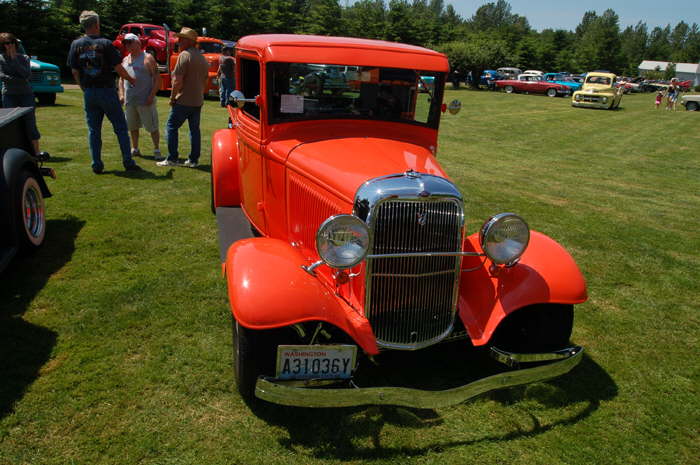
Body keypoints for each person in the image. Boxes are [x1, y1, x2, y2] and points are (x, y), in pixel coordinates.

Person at [67, 10, 140, 174]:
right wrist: (131, 79)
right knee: (120, 128)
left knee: (94, 130)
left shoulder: (75, 44)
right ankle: (128, 162)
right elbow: (118, 68)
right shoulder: (105, 44)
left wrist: (83, 88)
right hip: (106, 90)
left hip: (90, 92)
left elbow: (75, 71)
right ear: (96, 24)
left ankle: (97, 164)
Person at [157, 27, 209, 168]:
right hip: (197, 100)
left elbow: (177, 81)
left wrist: (172, 98)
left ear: (188, 41)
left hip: (184, 100)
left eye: (181, 39)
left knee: (171, 127)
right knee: (194, 130)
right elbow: (205, 80)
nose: (178, 41)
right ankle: (193, 160)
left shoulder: (184, 55)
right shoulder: (202, 58)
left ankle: (172, 158)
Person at [0, 32, 48, 158]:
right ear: (3, 45)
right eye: (6, 43)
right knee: (10, 124)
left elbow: (26, 74)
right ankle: (11, 153)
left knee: (30, 122)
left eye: (11, 43)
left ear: (15, 44)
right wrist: (20, 79)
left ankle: (36, 152)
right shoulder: (0, 58)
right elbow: (2, 77)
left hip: (26, 94)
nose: (9, 46)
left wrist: (14, 59)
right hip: (9, 94)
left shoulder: (24, 58)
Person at [118, 33, 162, 159]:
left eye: (130, 42)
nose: (127, 45)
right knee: (132, 126)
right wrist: (121, 94)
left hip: (145, 100)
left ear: (138, 43)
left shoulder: (147, 58)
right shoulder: (125, 60)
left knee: (152, 126)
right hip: (130, 101)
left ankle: (157, 149)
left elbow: (157, 79)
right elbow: (121, 79)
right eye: (126, 43)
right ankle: (135, 148)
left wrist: (151, 96)